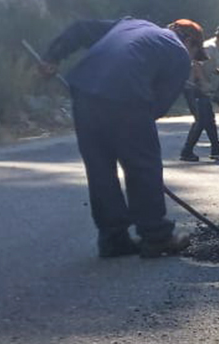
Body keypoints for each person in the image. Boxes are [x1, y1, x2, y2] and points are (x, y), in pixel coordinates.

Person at [40, 17, 202, 259]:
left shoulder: (131, 24)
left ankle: (113, 239)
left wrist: (52, 57)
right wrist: (133, 139)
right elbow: (157, 107)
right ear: (189, 41)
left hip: (84, 90)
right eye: (195, 53)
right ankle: (156, 236)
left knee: (100, 168)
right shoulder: (179, 54)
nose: (193, 59)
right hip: (127, 94)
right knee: (143, 166)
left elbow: (81, 28)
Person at [180, 25, 219, 162]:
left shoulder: (216, 49)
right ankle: (186, 151)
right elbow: (196, 64)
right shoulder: (209, 47)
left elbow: (209, 66)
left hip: (200, 88)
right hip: (193, 87)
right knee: (201, 120)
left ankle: (216, 149)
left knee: (209, 120)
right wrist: (204, 83)